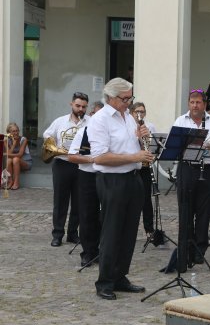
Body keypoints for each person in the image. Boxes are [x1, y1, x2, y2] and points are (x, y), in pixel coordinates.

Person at [88, 78, 154, 300]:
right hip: (111, 180)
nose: (129, 103)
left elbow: (129, 148)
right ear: (111, 97)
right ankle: (104, 280)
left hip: (133, 178)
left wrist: (140, 140)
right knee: (112, 231)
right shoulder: (100, 120)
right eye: (125, 99)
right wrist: (134, 156)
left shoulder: (128, 117)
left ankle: (120, 276)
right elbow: (100, 156)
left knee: (128, 232)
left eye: (130, 98)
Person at [173, 90, 210, 266]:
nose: (195, 105)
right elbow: (173, 147)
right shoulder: (181, 121)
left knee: (204, 212)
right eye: (192, 102)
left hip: (208, 168)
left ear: (204, 104)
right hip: (187, 168)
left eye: (198, 102)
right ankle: (184, 250)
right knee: (185, 210)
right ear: (188, 103)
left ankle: (199, 250)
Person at [43, 92, 90, 247]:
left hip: (81, 164)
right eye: (78, 106)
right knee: (60, 200)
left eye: (83, 106)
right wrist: (53, 145)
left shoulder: (91, 122)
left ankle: (72, 233)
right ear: (71, 104)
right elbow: (47, 135)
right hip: (62, 163)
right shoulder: (60, 121)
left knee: (79, 201)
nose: (80, 109)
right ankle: (57, 234)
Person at [67, 126, 100, 267]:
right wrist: (94, 159)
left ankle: (101, 250)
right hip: (88, 175)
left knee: (106, 215)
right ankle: (88, 252)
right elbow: (72, 156)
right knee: (87, 215)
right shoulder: (84, 132)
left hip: (109, 175)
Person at [130, 102, 158, 245]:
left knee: (146, 200)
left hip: (145, 167)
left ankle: (150, 231)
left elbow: (152, 148)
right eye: (137, 111)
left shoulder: (150, 127)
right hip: (131, 167)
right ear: (132, 113)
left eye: (142, 111)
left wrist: (146, 137)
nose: (139, 114)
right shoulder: (127, 126)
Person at [4, 123, 32, 190]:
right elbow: (9, 155)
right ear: (9, 133)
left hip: (26, 162)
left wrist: (5, 154)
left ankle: (16, 182)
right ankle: (10, 181)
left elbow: (20, 155)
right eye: (13, 131)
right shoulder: (6, 141)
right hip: (13, 163)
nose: (16, 133)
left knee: (15, 159)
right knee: (9, 160)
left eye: (17, 131)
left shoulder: (23, 139)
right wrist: (13, 144)